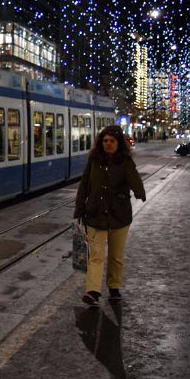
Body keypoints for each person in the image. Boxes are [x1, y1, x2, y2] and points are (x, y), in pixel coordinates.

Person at [74, 124, 147, 307]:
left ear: (118, 143)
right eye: (105, 141)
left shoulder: (125, 161)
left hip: (119, 216)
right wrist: (79, 209)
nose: (108, 144)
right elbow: (84, 185)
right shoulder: (94, 160)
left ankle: (114, 288)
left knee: (116, 256)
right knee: (96, 256)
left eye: (112, 141)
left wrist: (140, 192)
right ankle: (93, 292)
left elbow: (134, 178)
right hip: (95, 214)